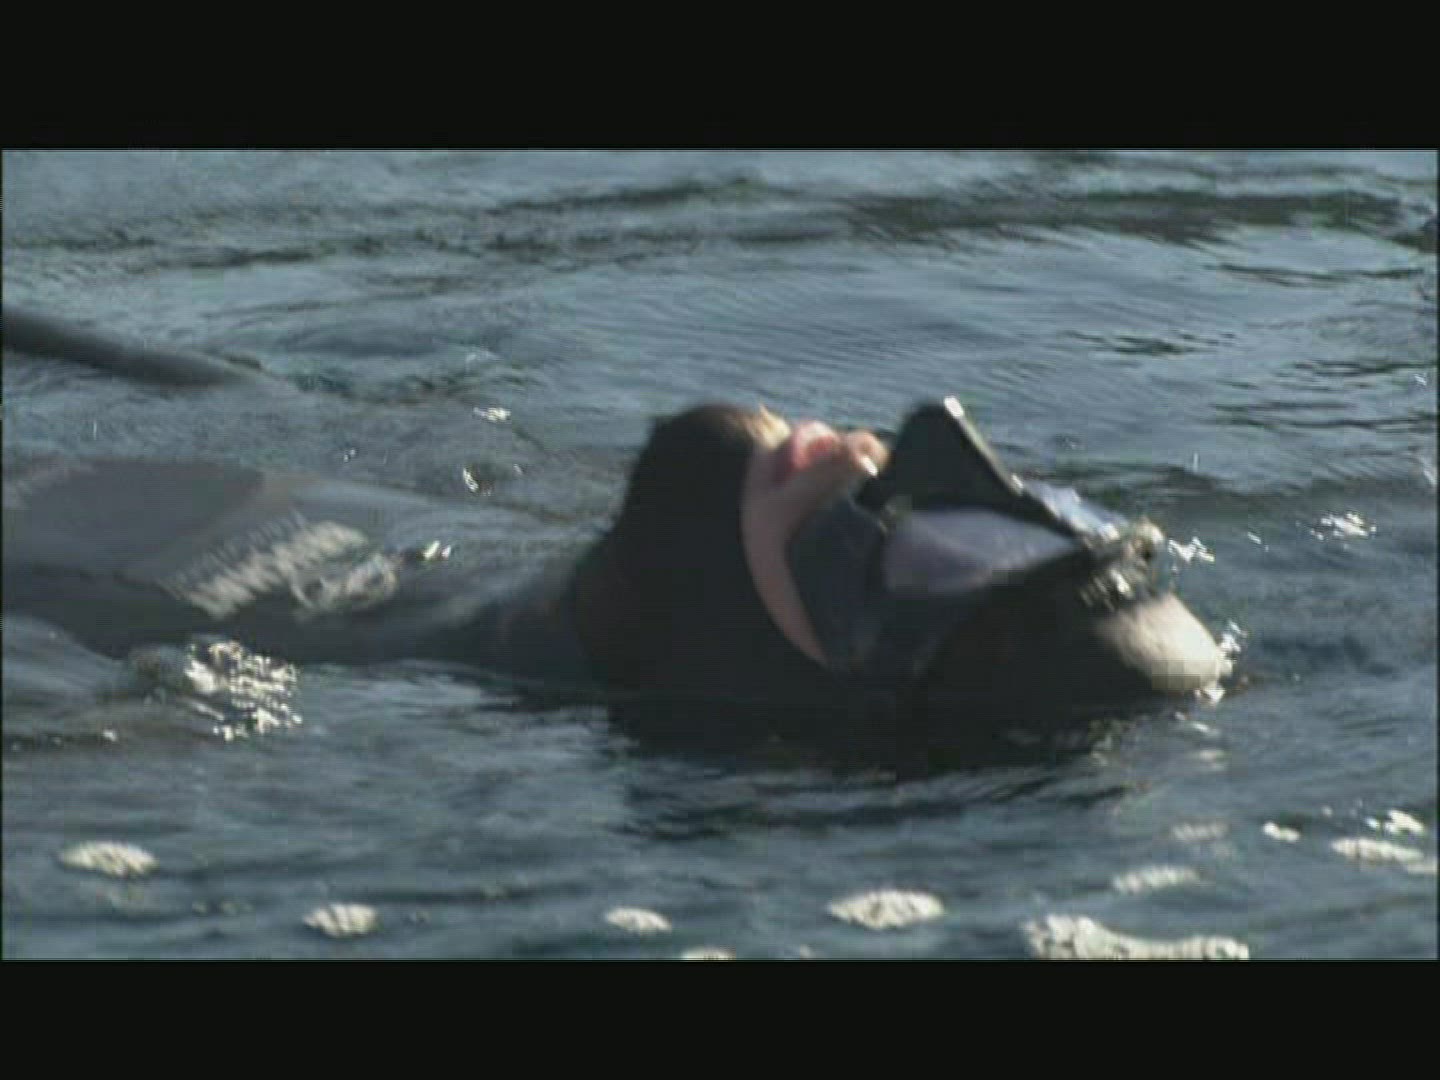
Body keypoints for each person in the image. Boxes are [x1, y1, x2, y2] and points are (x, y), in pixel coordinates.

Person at [3, 310, 1229, 719]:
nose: (885, 453)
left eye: (951, 548)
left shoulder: (196, 736)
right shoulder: (483, 482)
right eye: (1035, 503)